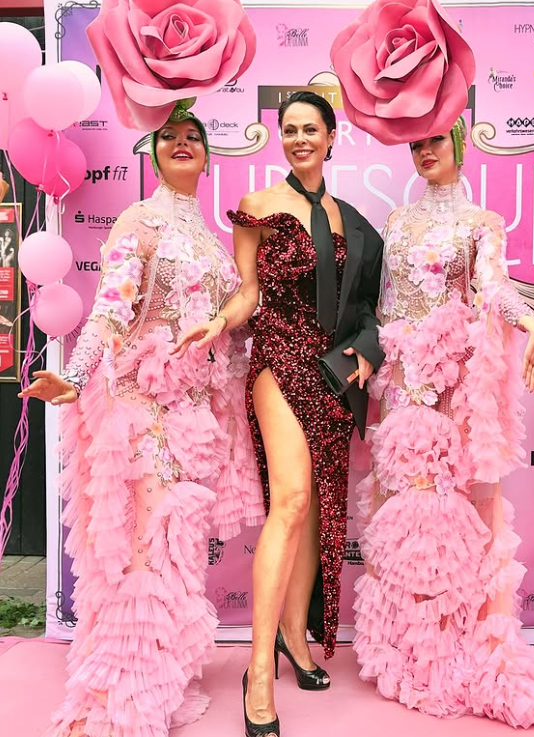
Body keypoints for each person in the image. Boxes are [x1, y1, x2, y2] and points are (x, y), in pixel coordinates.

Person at [19, 101, 264, 737]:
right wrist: (76, 376)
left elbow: (231, 325)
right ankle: (127, 691)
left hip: (192, 418)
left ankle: (164, 670)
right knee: (143, 547)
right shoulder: (139, 220)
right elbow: (111, 310)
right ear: (152, 155)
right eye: (169, 136)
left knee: (176, 544)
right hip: (143, 409)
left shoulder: (212, 240)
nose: (182, 143)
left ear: (207, 156)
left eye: (193, 136)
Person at [175, 90, 385, 737]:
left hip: (333, 372)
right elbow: (249, 292)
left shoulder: (353, 222)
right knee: (291, 499)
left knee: (315, 505)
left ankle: (295, 635)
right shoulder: (260, 205)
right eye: (288, 129)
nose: (298, 139)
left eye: (309, 129)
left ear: (330, 137)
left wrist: (366, 351)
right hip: (278, 357)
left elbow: (366, 308)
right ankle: (259, 668)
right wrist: (219, 321)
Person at [353, 116, 534, 726]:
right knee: (401, 511)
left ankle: (446, 649)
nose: (425, 151)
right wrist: (374, 360)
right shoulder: (399, 221)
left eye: (435, 140)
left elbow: (492, 288)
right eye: (416, 143)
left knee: (444, 513)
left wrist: (530, 325)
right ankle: (404, 646)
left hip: (449, 384)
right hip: (400, 382)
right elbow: (386, 303)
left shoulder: (482, 223)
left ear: (460, 143)